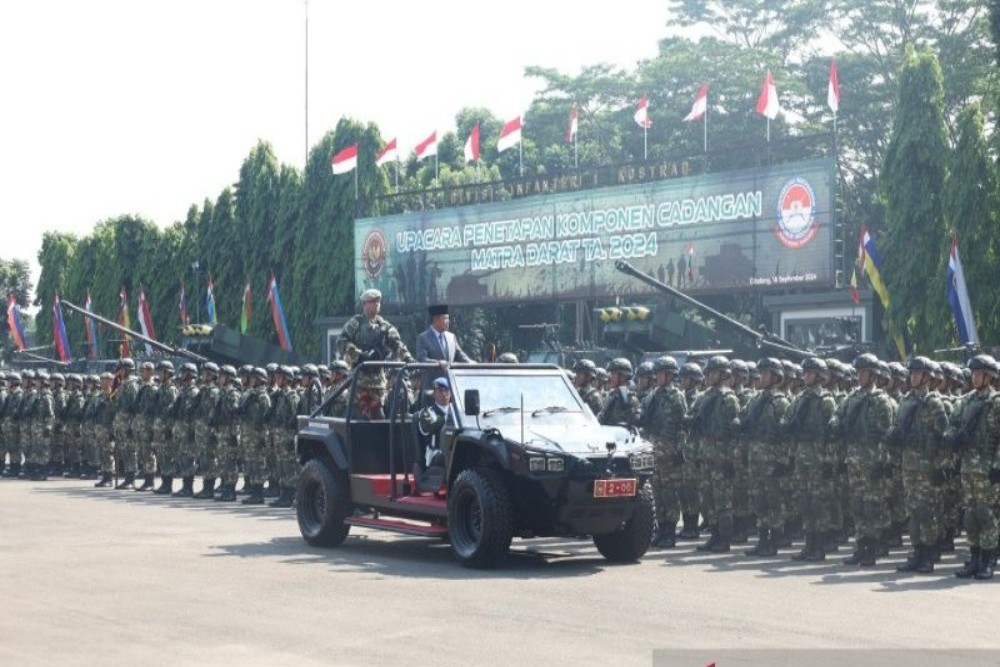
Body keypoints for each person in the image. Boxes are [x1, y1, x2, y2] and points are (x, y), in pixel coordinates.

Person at [338, 289, 413, 368]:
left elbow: (397, 344)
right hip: (359, 371)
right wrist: (357, 354)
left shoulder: (383, 325)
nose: (377, 304)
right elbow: (342, 341)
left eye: (378, 301)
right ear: (364, 304)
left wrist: (407, 358)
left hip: (379, 372)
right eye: (373, 301)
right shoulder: (356, 323)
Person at [416, 304, 473, 390]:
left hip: (451, 387)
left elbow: (460, 355)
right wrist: (438, 363)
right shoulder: (423, 338)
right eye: (445, 318)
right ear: (436, 319)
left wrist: (472, 363)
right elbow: (422, 359)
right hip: (432, 388)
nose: (448, 321)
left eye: (448, 318)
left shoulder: (451, 337)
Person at [417, 377, 455, 469]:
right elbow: (429, 427)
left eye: (447, 390)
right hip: (436, 454)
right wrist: (448, 417)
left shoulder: (457, 411)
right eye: (440, 391)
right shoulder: (427, 412)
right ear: (434, 394)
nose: (444, 394)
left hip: (455, 450)